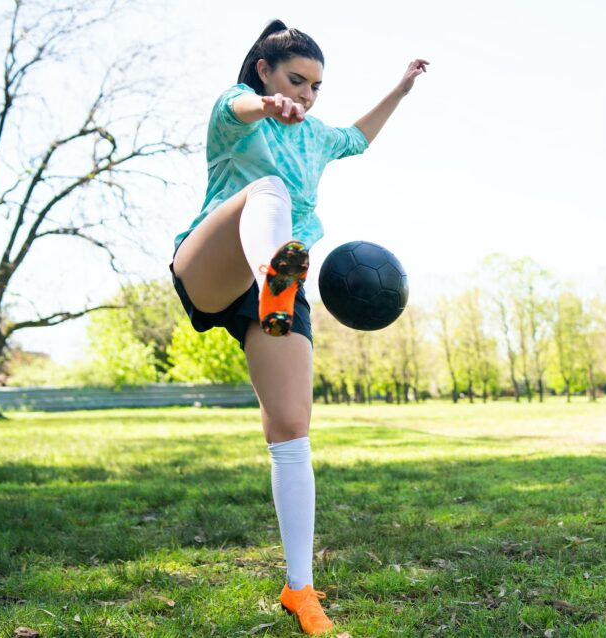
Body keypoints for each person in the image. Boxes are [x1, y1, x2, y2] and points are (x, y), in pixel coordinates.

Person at [168, 20, 428, 634]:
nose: (306, 96)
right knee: (268, 187)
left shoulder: (316, 135)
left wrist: (399, 90)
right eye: (295, 81)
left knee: (291, 431)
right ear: (264, 69)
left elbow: (357, 139)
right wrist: (266, 105)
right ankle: (273, 277)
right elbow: (236, 104)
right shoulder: (237, 112)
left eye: (315, 86)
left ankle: (300, 589)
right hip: (216, 263)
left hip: (283, 288)